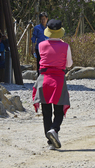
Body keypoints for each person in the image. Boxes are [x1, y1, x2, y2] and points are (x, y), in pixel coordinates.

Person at [32, 19, 73, 150]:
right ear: (60, 32)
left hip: (43, 79)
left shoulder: (41, 45)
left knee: (46, 111)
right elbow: (69, 64)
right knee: (59, 110)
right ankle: (54, 129)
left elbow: (40, 60)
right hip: (58, 80)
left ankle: (50, 141)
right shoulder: (65, 46)